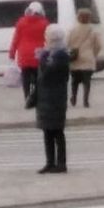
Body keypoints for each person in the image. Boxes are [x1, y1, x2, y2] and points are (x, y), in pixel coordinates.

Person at [35, 24, 71, 174]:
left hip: (55, 98)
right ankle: (50, 162)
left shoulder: (61, 56)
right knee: (48, 132)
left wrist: (42, 58)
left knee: (57, 132)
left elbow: (48, 74)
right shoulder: (52, 54)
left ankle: (61, 164)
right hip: (47, 98)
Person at [8, 1, 49, 107]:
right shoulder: (44, 23)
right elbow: (48, 40)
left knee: (25, 79)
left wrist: (12, 53)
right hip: (38, 55)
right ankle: (36, 99)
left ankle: (27, 98)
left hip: (24, 54)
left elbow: (16, 39)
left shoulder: (21, 22)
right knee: (37, 78)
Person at [67, 8, 103, 108]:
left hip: (75, 59)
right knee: (87, 81)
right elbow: (99, 45)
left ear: (78, 17)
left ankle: (74, 98)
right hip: (88, 59)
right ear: (89, 18)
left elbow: (67, 43)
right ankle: (85, 101)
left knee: (75, 81)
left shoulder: (72, 30)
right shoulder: (93, 31)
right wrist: (93, 54)